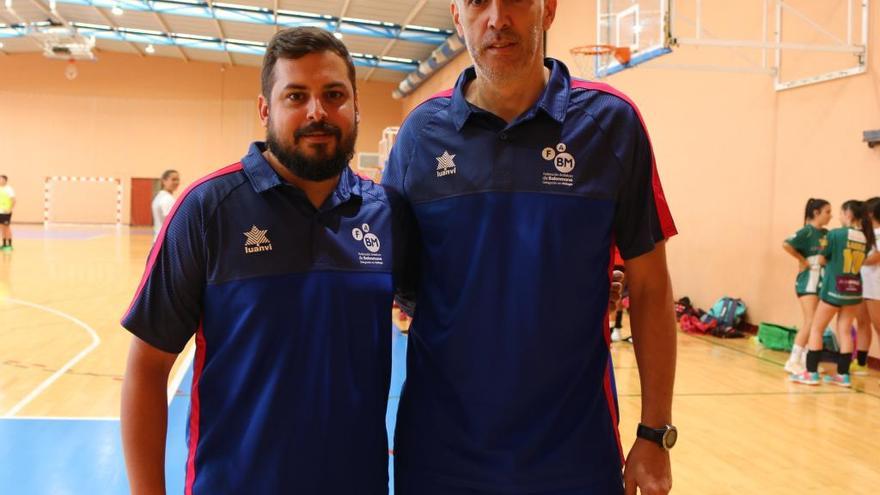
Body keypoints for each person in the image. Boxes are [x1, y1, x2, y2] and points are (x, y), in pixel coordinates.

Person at [382, 1, 678, 493]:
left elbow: (650, 287)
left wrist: (654, 433)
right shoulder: (419, 136)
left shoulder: (611, 123)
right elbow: (397, 281)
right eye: (478, 2)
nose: (497, 17)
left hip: (573, 453)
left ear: (549, 9)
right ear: (457, 17)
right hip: (439, 453)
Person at [120, 27, 417, 494]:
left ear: (356, 105)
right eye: (296, 95)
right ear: (265, 109)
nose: (317, 112)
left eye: (333, 94)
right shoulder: (207, 209)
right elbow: (148, 366)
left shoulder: (386, 213)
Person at [790, 200, 875, 387]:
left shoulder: (836, 234)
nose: (838, 216)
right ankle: (843, 375)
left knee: (816, 329)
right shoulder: (865, 237)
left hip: (834, 288)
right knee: (844, 330)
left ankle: (811, 373)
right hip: (854, 290)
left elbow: (821, 259)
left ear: (849, 214)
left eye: (841, 212)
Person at [782, 198, 831, 373]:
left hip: (821, 282)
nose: (830, 216)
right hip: (807, 282)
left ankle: (806, 359)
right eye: (827, 212)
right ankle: (793, 360)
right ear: (816, 213)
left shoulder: (826, 233)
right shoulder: (807, 232)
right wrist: (802, 260)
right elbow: (786, 244)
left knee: (817, 323)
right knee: (810, 321)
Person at [853, 196, 880, 375]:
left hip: (876, 287)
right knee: (862, 322)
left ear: (870, 214)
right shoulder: (865, 233)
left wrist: (855, 259)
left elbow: (876, 257)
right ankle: (861, 363)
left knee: (879, 327)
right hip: (862, 284)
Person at [151, 169, 180, 242]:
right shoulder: (167, 199)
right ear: (164, 181)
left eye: (177, 179)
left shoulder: (159, 196)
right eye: (173, 179)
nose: (176, 182)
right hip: (165, 241)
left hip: (158, 239)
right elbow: (172, 223)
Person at [0, 175, 15, 251]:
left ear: (5, 180)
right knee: (2, 228)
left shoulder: (9, 189)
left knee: (7, 228)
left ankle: (9, 245)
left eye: (1, 179)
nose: (0, 181)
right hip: (0, 212)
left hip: (6, 212)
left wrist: (10, 209)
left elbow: (13, 200)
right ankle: (4, 244)